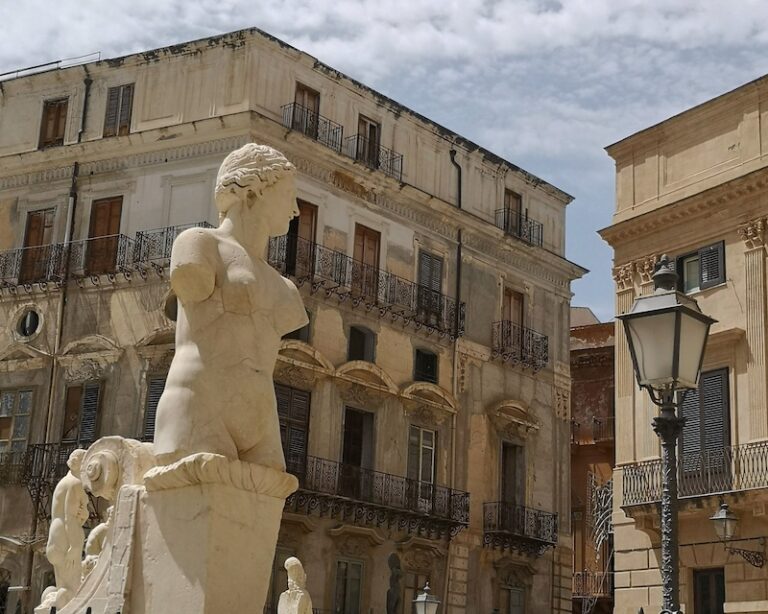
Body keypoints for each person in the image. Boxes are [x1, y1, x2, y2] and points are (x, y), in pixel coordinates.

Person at [153, 143, 308, 471]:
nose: (295, 209)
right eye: (288, 194)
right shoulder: (198, 244)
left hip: (261, 423)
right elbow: (189, 282)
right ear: (254, 192)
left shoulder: (285, 290)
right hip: (201, 405)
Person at [41, 449, 89, 608]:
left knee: (64, 588)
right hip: (66, 540)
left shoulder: (65, 482)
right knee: (73, 594)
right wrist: (75, 546)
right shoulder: (75, 484)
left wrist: (85, 513)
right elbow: (70, 518)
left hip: (55, 539)